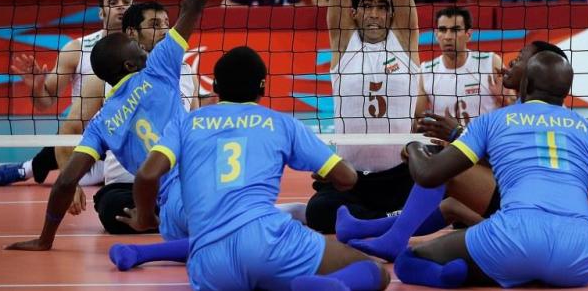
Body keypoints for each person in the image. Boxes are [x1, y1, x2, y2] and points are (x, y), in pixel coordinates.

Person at [3, 0, 255, 253]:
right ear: (129, 63)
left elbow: (64, 185)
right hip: (196, 183)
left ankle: (150, 237)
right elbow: (195, 1)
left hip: (161, 199)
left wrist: (45, 240)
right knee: (244, 231)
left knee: (185, 227)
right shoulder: (160, 68)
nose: (142, 45)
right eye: (134, 47)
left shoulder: (103, 121)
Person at [392, 51, 588, 288]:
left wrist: (414, 149)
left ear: (526, 83)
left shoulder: (493, 120)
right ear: (564, 92)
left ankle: (457, 275)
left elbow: (430, 175)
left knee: (409, 261)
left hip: (510, 239)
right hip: (577, 256)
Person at [123, 46, 389, 291]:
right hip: (269, 242)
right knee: (374, 271)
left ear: (215, 85)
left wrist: (145, 217)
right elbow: (347, 177)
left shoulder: (186, 123)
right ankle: (330, 285)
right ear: (262, 86)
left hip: (209, 260)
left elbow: (147, 174)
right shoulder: (282, 123)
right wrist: (325, 173)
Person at [304, 0, 423, 235]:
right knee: (319, 212)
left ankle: (367, 225)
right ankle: (384, 225)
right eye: (366, 5)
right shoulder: (344, 39)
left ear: (390, 14)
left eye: (381, 6)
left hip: (398, 175)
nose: (374, 12)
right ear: (354, 12)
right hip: (350, 178)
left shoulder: (403, 40)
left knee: (440, 191)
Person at [0, 0, 134, 187]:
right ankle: (29, 168)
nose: (121, 7)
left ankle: (31, 167)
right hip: (86, 136)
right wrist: (37, 87)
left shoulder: (145, 50)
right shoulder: (77, 48)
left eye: (126, 2)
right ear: (101, 12)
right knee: (80, 172)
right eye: (113, 3)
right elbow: (44, 103)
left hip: (129, 135)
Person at [80, 1, 201, 234]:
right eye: (155, 24)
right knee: (112, 210)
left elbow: (193, 122)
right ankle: (174, 215)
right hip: (127, 184)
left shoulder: (185, 72)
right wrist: (73, 182)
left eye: (167, 23)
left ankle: (161, 214)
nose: (165, 30)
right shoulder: (103, 80)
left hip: (175, 175)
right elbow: (73, 125)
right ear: (131, 34)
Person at [414, 7, 508, 129]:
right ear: (436, 34)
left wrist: (505, 99)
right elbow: (417, 119)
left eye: (455, 30)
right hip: (448, 146)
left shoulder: (490, 62)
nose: (448, 37)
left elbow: (514, 107)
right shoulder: (426, 71)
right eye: (442, 30)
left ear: (468, 34)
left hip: (487, 143)